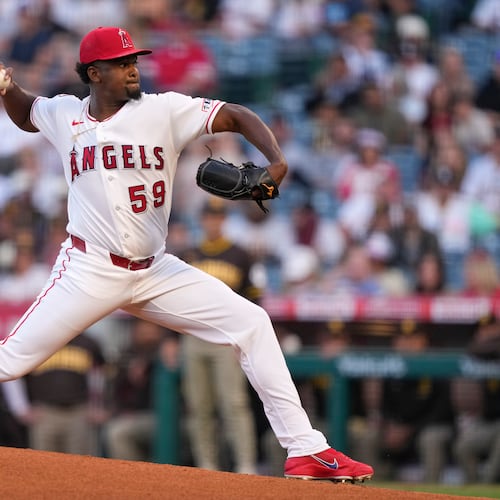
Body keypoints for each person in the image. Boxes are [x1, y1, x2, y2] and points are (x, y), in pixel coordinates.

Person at [0, 26, 373, 481]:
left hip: (156, 269)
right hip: (89, 267)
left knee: (252, 323)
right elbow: (26, 115)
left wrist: (277, 163)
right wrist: (8, 88)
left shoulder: (164, 110)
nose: (133, 68)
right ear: (94, 73)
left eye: (134, 59)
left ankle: (306, 451)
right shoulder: (64, 114)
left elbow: (235, 114)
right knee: (11, 362)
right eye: (121, 63)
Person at [179, 198, 259, 474]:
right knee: (199, 406)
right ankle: (206, 465)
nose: (212, 221)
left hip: (227, 337)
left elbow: (254, 297)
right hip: (194, 335)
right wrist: (169, 340)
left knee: (233, 403)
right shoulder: (188, 254)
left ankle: (245, 464)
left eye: (217, 217)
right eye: (208, 217)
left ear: (223, 220)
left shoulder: (239, 254)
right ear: (202, 220)